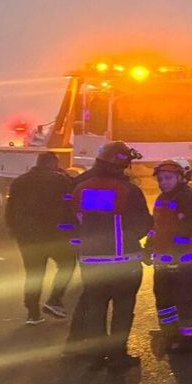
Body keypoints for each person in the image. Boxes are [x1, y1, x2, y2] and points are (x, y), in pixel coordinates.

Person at [66, 141, 152, 370]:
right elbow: (143, 224)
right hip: (125, 262)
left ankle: (96, 356)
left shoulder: (81, 188)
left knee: (95, 309)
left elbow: (71, 221)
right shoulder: (129, 191)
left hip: (91, 262)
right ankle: (117, 357)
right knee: (123, 310)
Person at [147, 159, 192, 356]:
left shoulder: (190, 197)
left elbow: (186, 230)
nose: (163, 182)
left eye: (168, 178)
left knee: (188, 298)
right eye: (160, 179)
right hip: (167, 259)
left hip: (191, 260)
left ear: (180, 178)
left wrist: (176, 254)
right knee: (164, 296)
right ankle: (171, 333)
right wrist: (148, 246)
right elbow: (157, 227)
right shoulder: (162, 198)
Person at [5, 152, 77, 324]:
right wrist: (72, 230)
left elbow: (10, 208)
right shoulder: (60, 180)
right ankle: (54, 299)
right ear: (53, 163)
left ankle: (33, 313)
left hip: (27, 237)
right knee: (67, 264)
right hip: (54, 235)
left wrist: (14, 230)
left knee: (34, 273)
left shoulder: (19, 181)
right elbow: (70, 204)